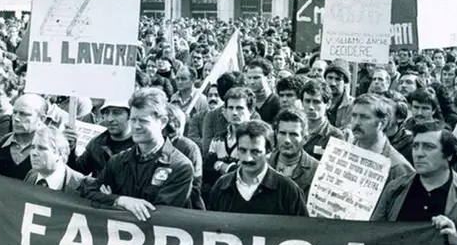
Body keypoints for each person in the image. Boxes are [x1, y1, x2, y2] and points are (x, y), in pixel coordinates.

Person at [81, 88, 195, 221]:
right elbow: (89, 192)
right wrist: (120, 200)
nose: (136, 126)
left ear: (162, 122)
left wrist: (109, 202)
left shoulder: (180, 167)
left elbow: (160, 215)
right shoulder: (118, 161)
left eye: (143, 121)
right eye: (133, 120)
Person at [208, 120, 307, 216]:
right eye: (242, 150)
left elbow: (302, 230)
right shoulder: (222, 186)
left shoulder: (288, 191)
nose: (248, 158)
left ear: (269, 151)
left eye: (255, 152)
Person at [68, 100, 134, 177]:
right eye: (106, 113)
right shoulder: (96, 144)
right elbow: (78, 172)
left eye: (117, 113)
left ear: (130, 115)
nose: (109, 119)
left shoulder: (141, 146)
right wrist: (70, 149)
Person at [267, 108, 319, 195]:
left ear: (305, 138)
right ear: (276, 135)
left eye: (293, 134)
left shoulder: (316, 170)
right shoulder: (264, 163)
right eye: (283, 133)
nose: (287, 140)